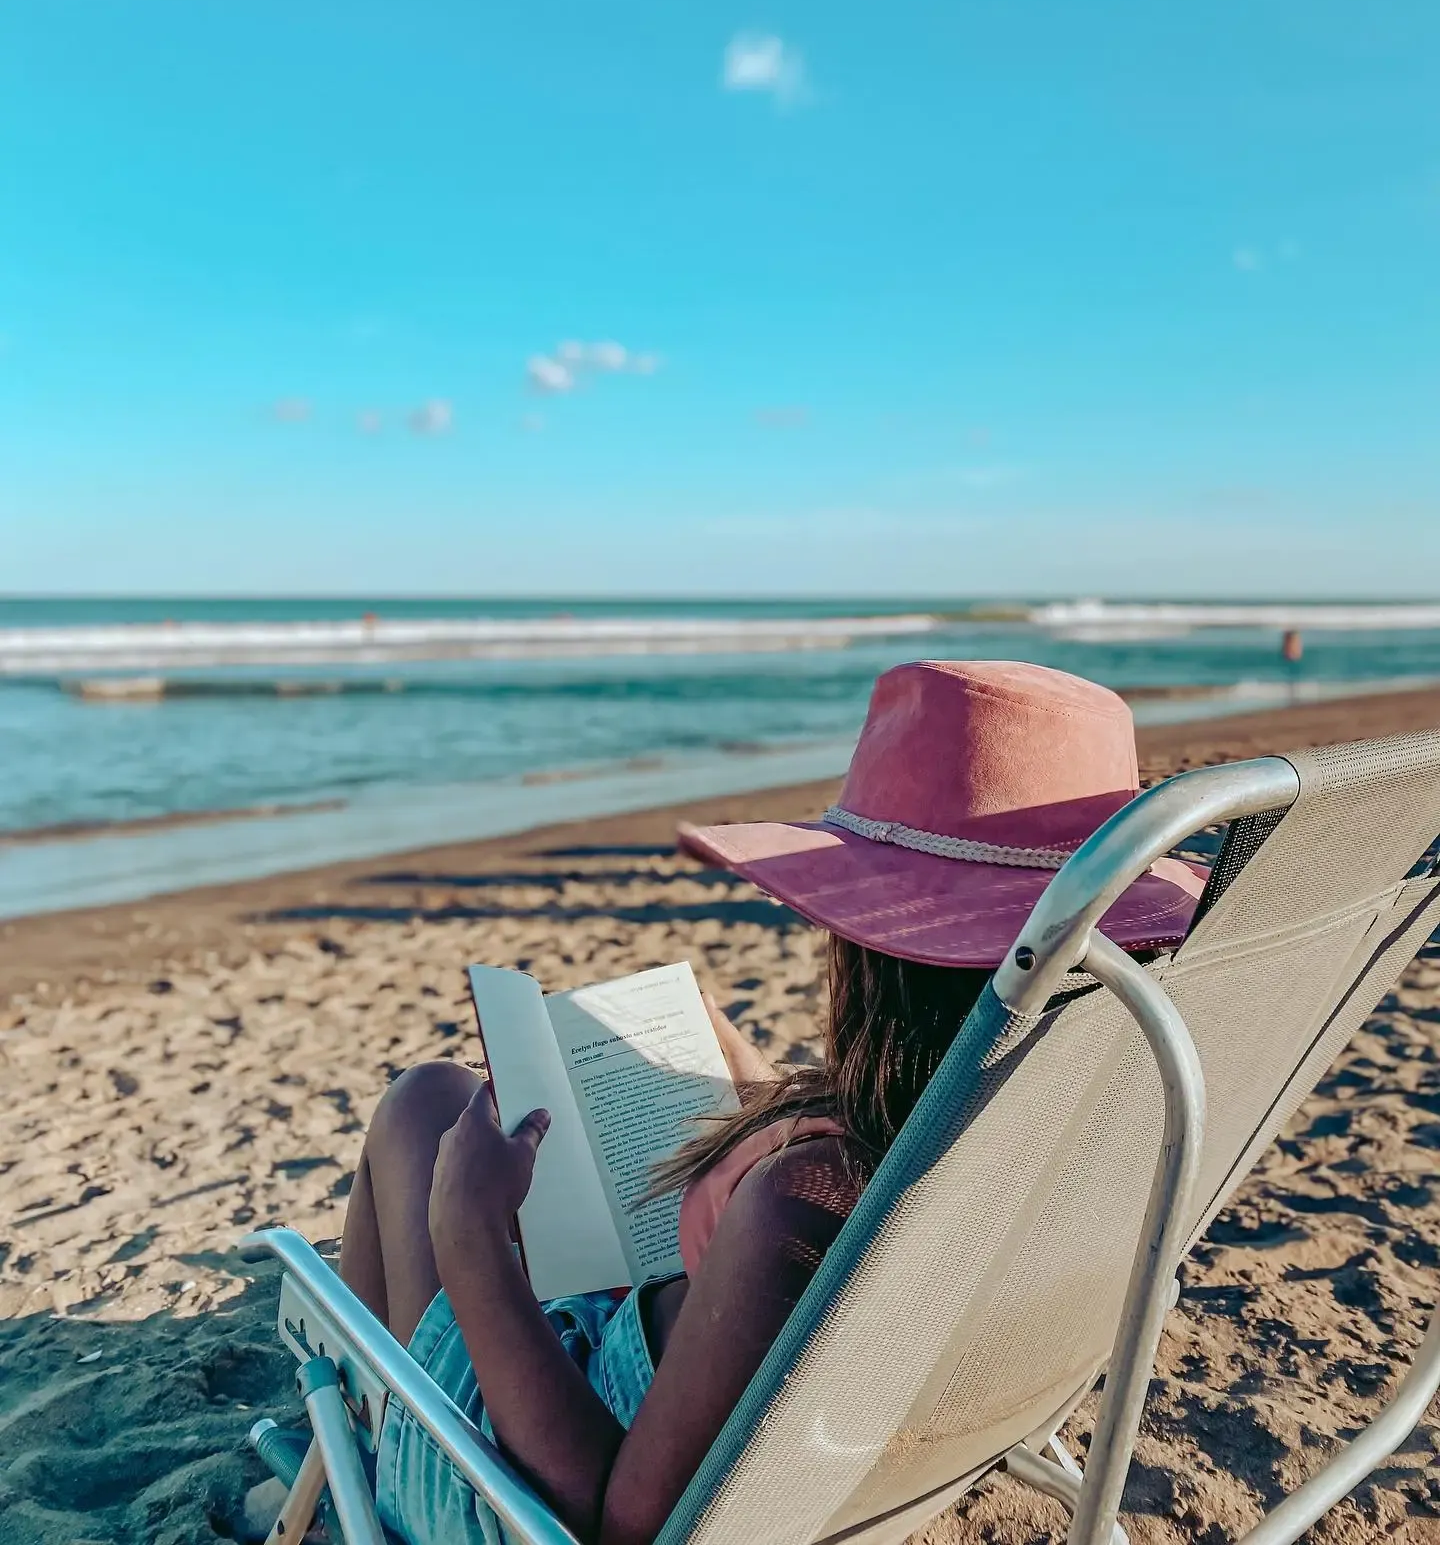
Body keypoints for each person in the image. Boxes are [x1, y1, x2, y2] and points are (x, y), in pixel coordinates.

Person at [336, 662, 1206, 1545]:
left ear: (873, 948)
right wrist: (754, 1084)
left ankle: (369, 1457)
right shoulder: (1094, 1113)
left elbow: (613, 1526)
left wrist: (469, 1235)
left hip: (533, 1477)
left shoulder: (812, 1201)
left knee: (424, 1107)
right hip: (782, 1431)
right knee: (447, 1104)